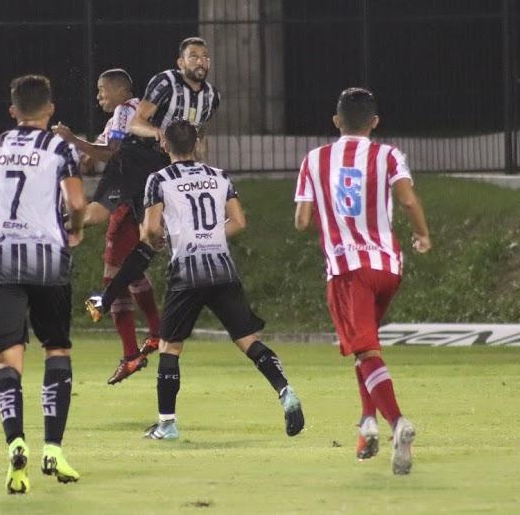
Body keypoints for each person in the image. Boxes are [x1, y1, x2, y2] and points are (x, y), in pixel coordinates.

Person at [86, 120, 304, 441]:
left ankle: (167, 424)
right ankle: (286, 392)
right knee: (248, 341)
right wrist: (210, 235)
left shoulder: (158, 179)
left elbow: (150, 231)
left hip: (187, 271)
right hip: (221, 268)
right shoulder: (219, 177)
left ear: (164, 146)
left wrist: (171, 238)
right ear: (197, 144)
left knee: (169, 347)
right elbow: (239, 221)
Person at [293, 88, 432, 476]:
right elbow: (407, 200)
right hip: (388, 268)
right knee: (362, 347)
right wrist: (424, 235)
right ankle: (366, 423)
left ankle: (396, 423)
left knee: (365, 351)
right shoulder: (388, 154)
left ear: (336, 121)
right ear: (374, 122)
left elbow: (302, 221)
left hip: (348, 270)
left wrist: (326, 214)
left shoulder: (314, 159)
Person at [0, 75, 88, 495]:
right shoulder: (60, 149)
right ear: (50, 109)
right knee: (57, 348)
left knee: (9, 359)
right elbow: (75, 203)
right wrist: (74, 230)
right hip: (49, 261)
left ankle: (16, 442)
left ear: (12, 110)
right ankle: (53, 447)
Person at [51, 69, 162, 384]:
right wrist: (85, 154)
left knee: (111, 270)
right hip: (129, 188)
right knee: (131, 271)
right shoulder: (119, 117)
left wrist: (73, 140)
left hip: (129, 190)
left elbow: (111, 153)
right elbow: (103, 150)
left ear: (121, 90)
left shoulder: (128, 110)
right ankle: (154, 334)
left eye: (102, 90)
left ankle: (132, 353)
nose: (98, 96)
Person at [119, 37, 220, 224]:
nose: (201, 61)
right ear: (181, 62)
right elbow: (136, 122)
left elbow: (200, 130)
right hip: (144, 156)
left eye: (205, 57)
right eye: (194, 57)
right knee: (148, 226)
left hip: (175, 163)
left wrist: (200, 160)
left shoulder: (212, 97)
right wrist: (158, 132)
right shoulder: (166, 83)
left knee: (173, 223)